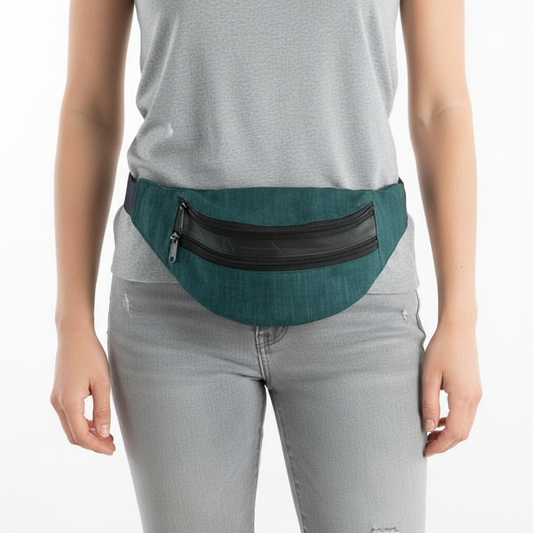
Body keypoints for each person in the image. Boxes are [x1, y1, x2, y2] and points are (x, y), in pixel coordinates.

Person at [50, 0, 483, 531]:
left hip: (363, 310)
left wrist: (460, 320)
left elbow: (441, 107)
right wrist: (72, 324)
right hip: (172, 310)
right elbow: (89, 108)